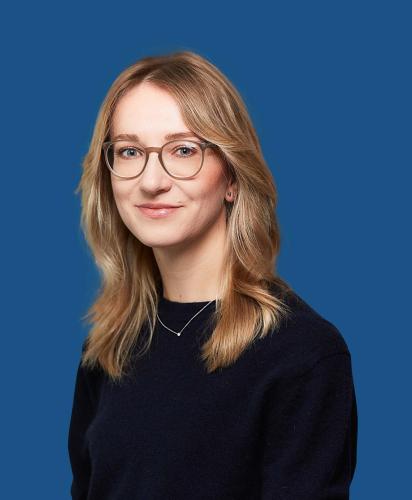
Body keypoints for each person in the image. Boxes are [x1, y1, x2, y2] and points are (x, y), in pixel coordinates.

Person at [68, 50, 358, 499]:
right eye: (129, 151)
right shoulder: (107, 347)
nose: (151, 181)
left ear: (232, 179)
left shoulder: (302, 354)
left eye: (183, 150)